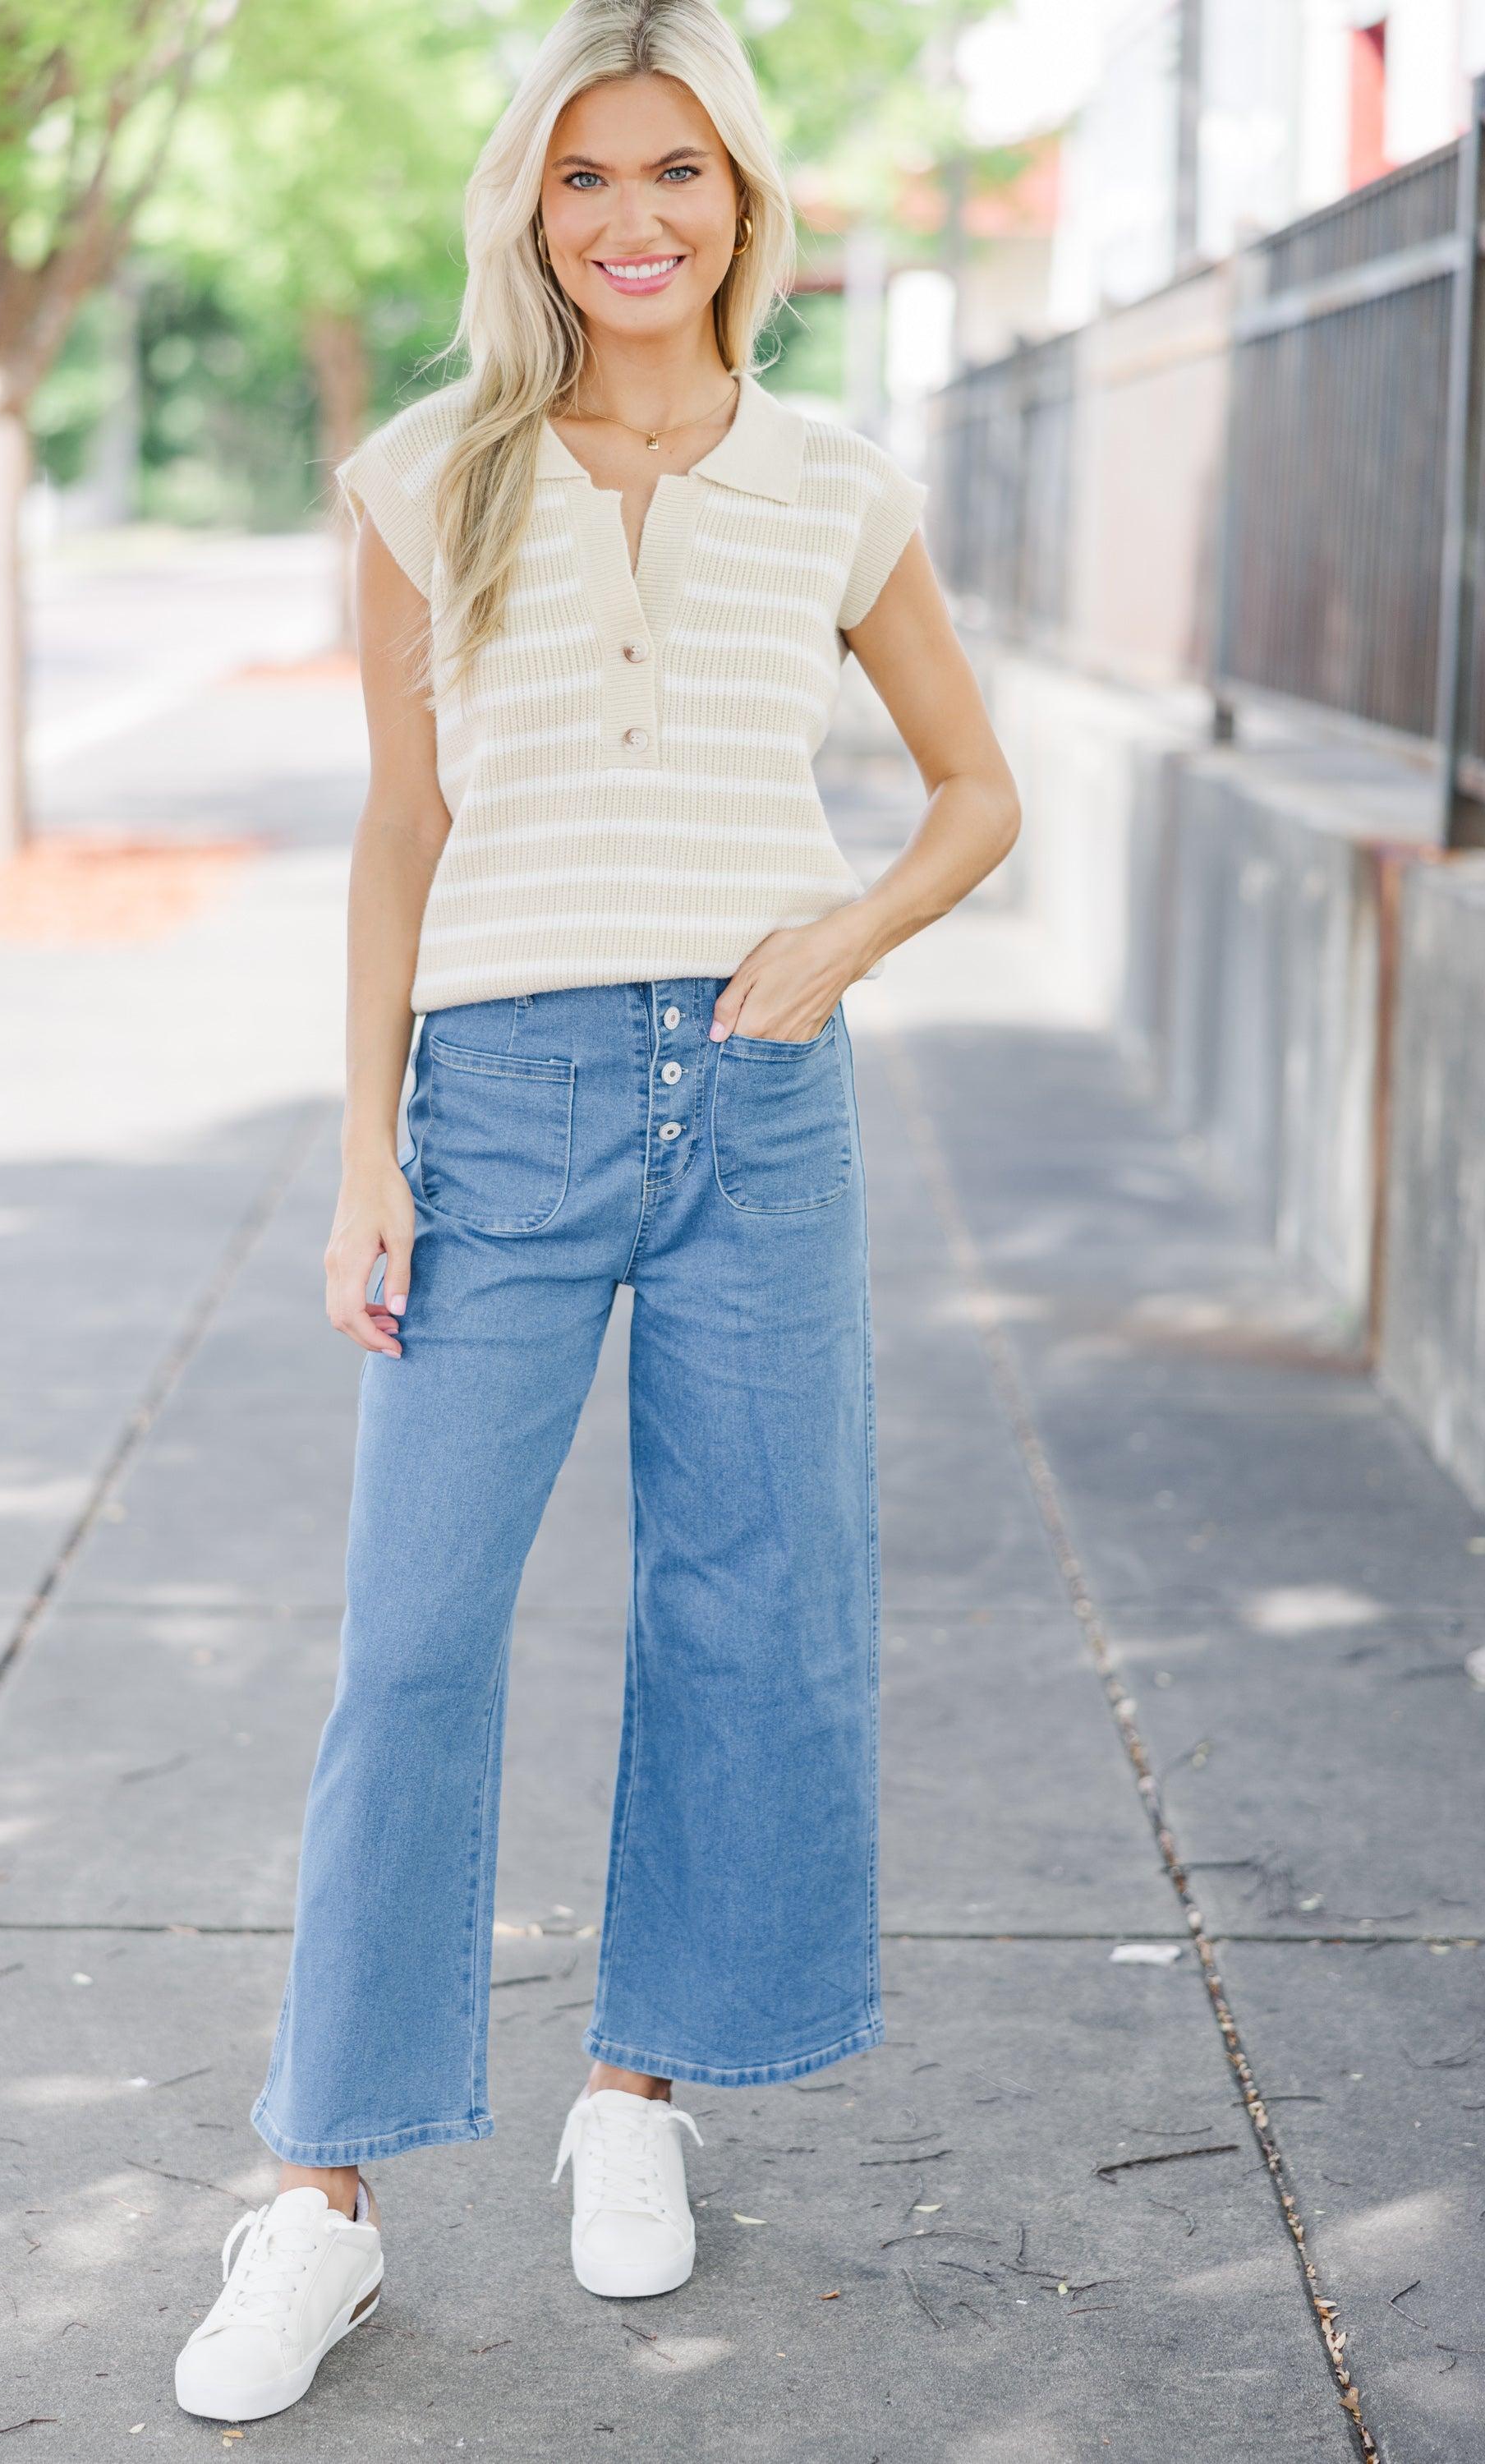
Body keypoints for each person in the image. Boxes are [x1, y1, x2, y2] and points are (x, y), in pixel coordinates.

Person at [174, 0, 1018, 2425]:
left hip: (762, 1096)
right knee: (414, 1640)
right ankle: (321, 2196)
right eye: (584, 175)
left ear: (742, 201)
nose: (631, 219)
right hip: (505, 1101)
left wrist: (841, 942)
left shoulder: (835, 485)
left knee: (756, 1607)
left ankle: (637, 2088)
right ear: (529, 206)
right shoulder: (430, 472)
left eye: (676, 173)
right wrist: (367, 1149)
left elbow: (976, 791)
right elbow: (402, 827)